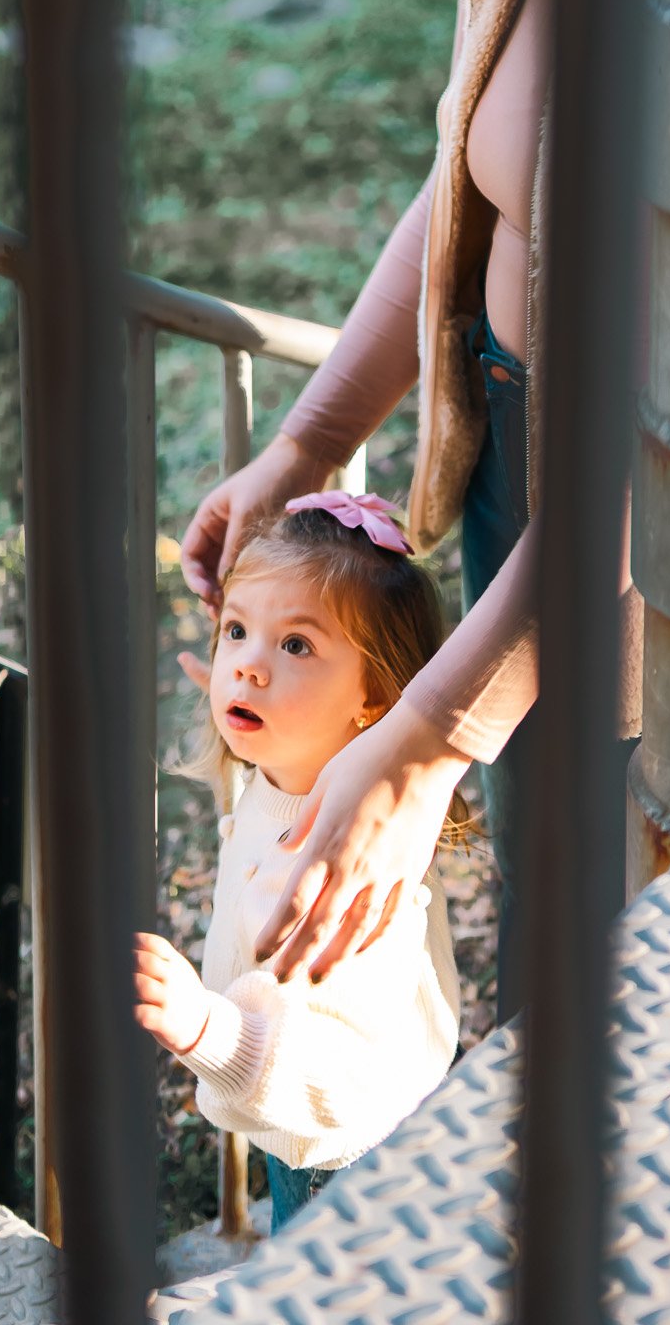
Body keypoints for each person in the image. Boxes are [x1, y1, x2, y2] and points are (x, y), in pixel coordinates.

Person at [179, 0, 642, 1021]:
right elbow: (463, 187)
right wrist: (308, 438)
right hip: (519, 477)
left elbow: (648, 476)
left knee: (643, 968)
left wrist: (424, 742)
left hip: (642, 553)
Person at [134, 495, 463, 1233]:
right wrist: (255, 686)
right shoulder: (293, 768)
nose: (247, 667)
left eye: (296, 647)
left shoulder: (349, 865)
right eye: (236, 632)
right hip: (299, 1130)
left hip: (345, 1159)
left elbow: (342, 1074)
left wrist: (206, 1031)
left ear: (374, 695)